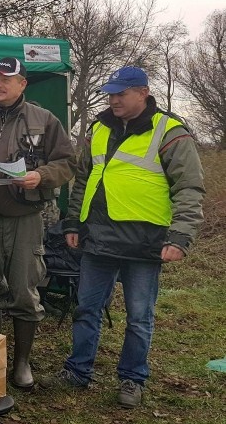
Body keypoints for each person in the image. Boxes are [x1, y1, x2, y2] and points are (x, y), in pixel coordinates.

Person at [45, 66, 204, 408]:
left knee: (139, 317)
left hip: (145, 241)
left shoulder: (170, 131)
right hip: (98, 238)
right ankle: (77, 370)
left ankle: (132, 378)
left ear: (143, 93)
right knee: (86, 309)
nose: (113, 99)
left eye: (121, 93)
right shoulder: (98, 127)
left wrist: (180, 238)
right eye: (111, 93)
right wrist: (73, 223)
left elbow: (189, 188)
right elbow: (83, 179)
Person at [0, 57, 75, 390]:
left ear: (22, 83)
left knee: (24, 290)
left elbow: (67, 162)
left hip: (25, 218)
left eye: (6, 78)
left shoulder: (45, 119)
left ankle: (22, 363)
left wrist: (41, 175)